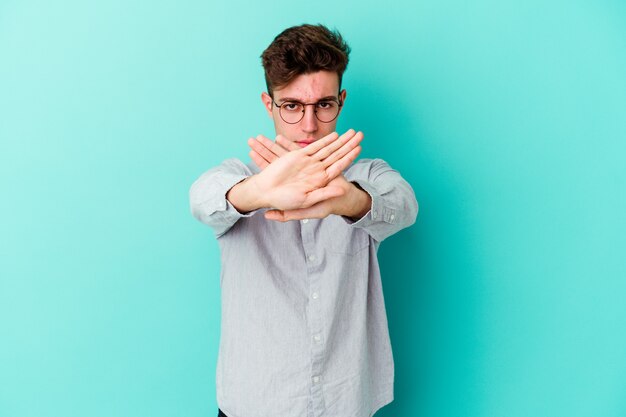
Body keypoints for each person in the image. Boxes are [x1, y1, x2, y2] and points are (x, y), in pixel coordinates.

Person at [189, 24, 418, 417]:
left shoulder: (368, 175)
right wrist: (260, 192)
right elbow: (203, 198)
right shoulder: (238, 174)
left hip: (344, 403)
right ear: (269, 104)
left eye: (324, 105)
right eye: (292, 106)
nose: (309, 126)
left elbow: (405, 205)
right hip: (256, 404)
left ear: (341, 102)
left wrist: (347, 200)